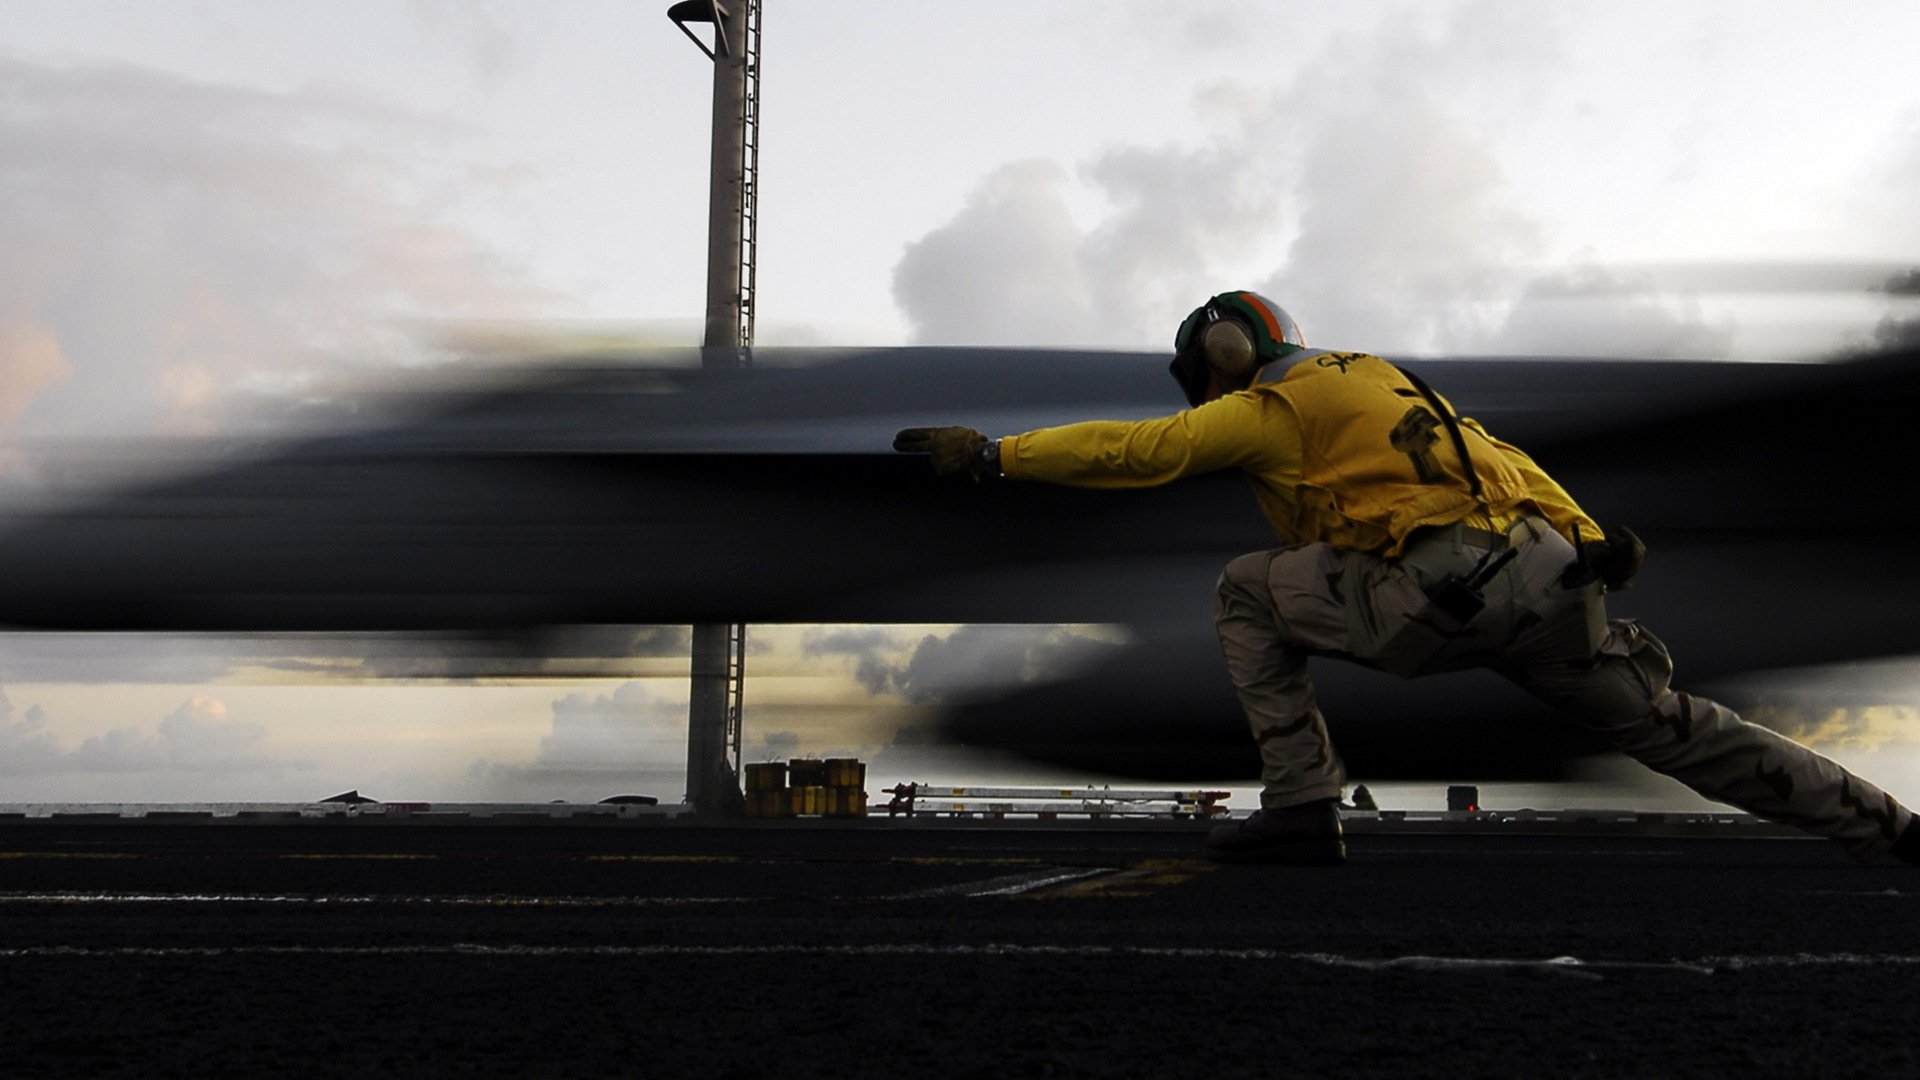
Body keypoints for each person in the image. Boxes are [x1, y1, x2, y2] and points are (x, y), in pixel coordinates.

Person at [895, 290, 1920, 867]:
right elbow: (1505, 462)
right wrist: (1593, 537)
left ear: (1226, 348)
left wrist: (993, 456)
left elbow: (1142, 450)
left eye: (1206, 371)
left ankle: (1301, 808)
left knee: (1245, 590)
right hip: (1555, 575)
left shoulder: (1268, 403)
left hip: (1437, 592)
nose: (1207, 391)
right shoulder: (1386, 380)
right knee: (1681, 731)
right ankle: (1896, 832)